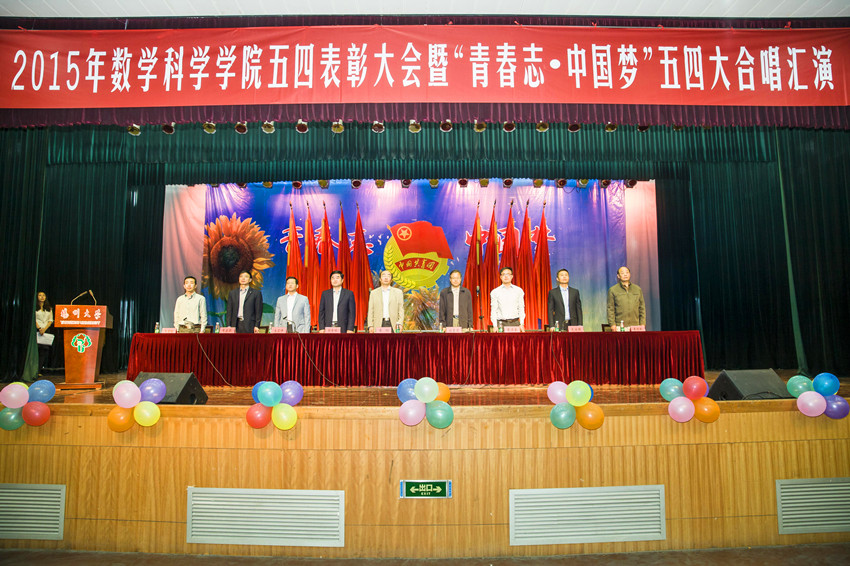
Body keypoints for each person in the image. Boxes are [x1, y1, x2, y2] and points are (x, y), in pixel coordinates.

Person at [607, 266, 646, 330]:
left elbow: (642, 308)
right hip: (619, 326)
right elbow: (610, 309)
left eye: (627, 272)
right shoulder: (613, 290)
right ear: (618, 276)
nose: (625, 274)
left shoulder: (637, 289)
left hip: (636, 326)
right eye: (622, 273)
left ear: (630, 274)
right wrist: (612, 325)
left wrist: (642, 324)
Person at [35, 291, 54, 374]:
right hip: (37, 330)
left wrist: (44, 329)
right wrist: (39, 328)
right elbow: (34, 319)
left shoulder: (49, 308)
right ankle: (34, 370)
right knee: (36, 351)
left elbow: (50, 320)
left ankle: (39, 370)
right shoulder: (34, 307)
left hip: (46, 330)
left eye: (43, 295)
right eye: (40, 295)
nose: (42, 297)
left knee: (43, 352)